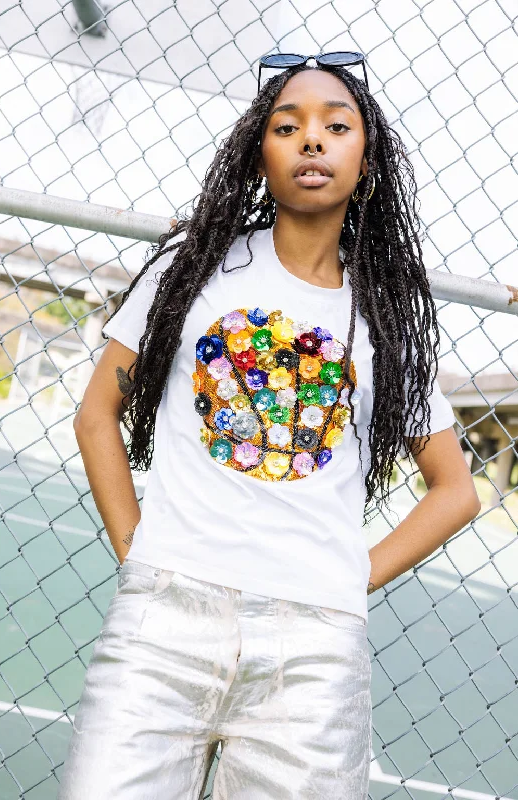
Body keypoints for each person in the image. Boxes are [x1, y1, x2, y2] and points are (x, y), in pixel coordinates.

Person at [58, 58, 480, 800]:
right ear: (259, 154)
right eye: (287, 127)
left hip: (313, 649)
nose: (310, 141)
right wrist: (136, 548)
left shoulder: (386, 319)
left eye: (335, 126)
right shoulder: (189, 272)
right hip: (165, 618)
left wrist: (350, 575)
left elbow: (454, 490)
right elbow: (97, 415)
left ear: (366, 156)